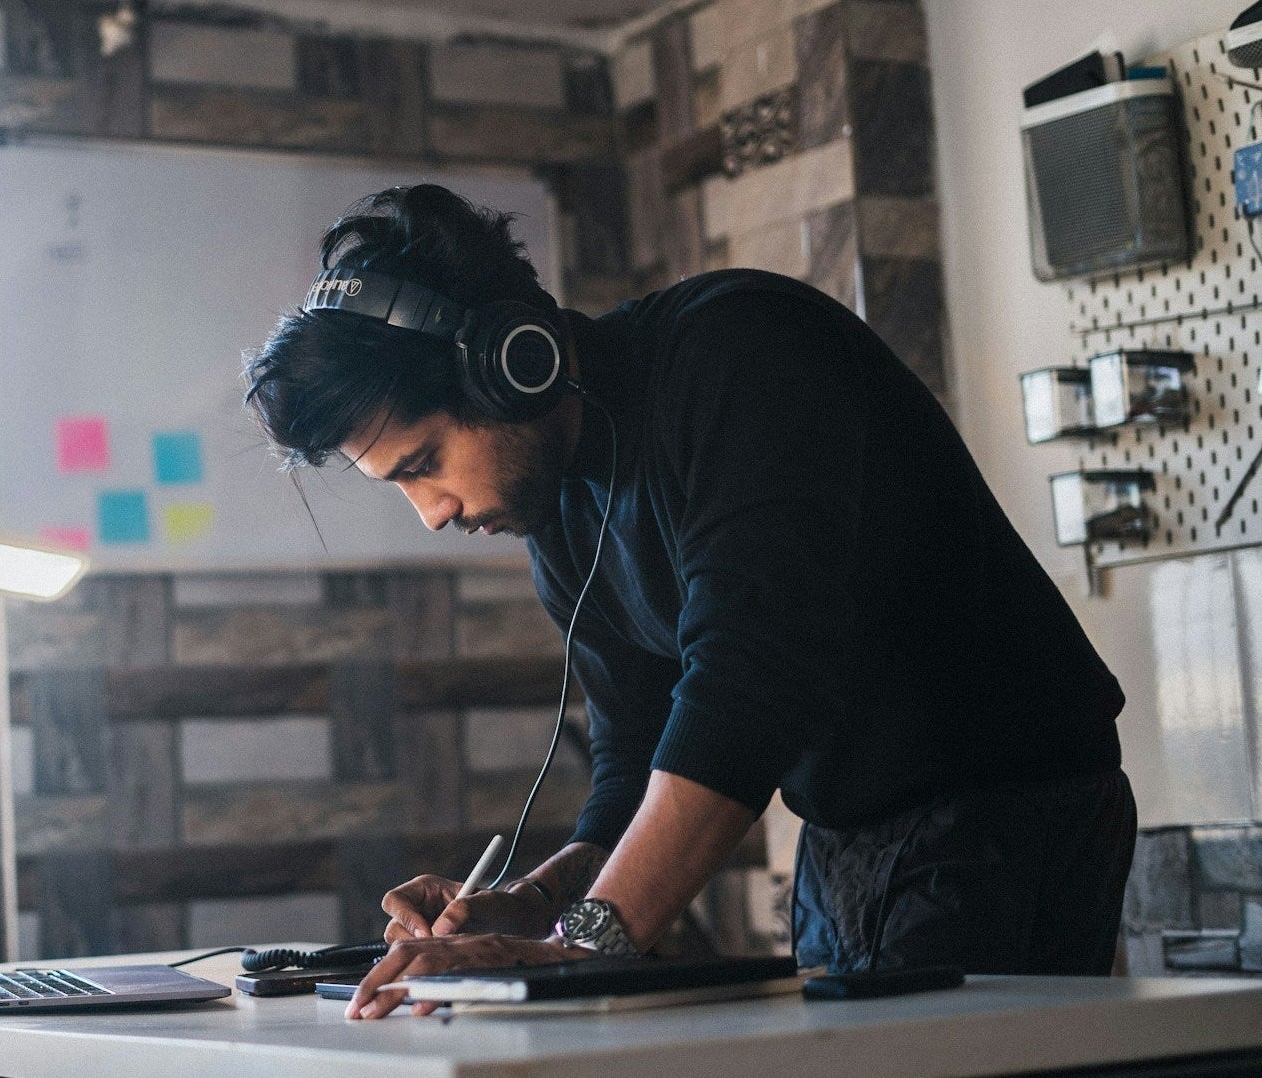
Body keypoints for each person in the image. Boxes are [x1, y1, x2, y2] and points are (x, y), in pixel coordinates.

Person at [241, 184, 1136, 1020]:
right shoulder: (560, 509)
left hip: (1002, 815)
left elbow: (749, 684)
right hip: (842, 846)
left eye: (424, 464)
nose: (432, 513)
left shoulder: (742, 353)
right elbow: (634, 761)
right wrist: (537, 903)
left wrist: (579, 948)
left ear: (513, 363)